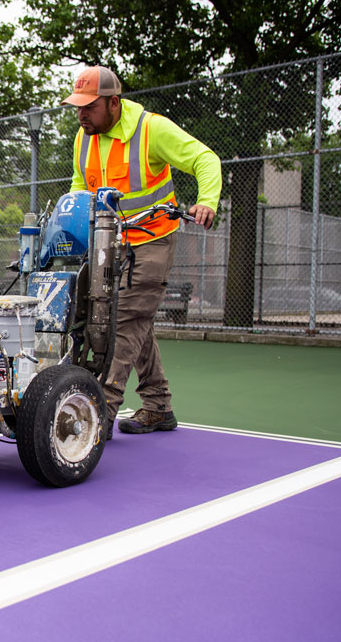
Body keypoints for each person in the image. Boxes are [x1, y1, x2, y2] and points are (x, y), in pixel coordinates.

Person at [61, 66, 221, 439]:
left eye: (89, 107)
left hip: (152, 239)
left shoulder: (151, 129)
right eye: (77, 107)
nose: (81, 114)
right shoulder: (84, 137)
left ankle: (96, 413)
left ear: (113, 102)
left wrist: (207, 201)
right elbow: (79, 187)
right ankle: (159, 406)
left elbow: (205, 159)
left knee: (126, 319)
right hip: (108, 244)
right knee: (136, 320)